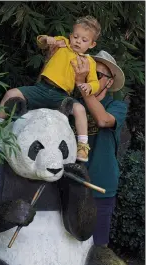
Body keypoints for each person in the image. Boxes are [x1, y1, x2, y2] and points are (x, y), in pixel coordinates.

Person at [0, 16, 101, 162]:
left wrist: (89, 86)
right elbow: (41, 41)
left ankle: (82, 145)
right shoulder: (63, 44)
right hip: (42, 88)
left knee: (80, 110)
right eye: (76, 37)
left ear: (92, 44)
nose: (78, 41)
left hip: (61, 96)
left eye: (84, 40)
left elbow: (95, 83)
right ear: (71, 36)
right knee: (11, 93)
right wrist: (47, 40)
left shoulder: (89, 62)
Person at [71, 50, 127, 246]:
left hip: (100, 188)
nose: (92, 78)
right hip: (71, 185)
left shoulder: (117, 106)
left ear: (110, 82)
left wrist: (82, 87)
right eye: (90, 73)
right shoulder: (74, 106)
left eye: (98, 75)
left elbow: (103, 120)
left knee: (97, 249)